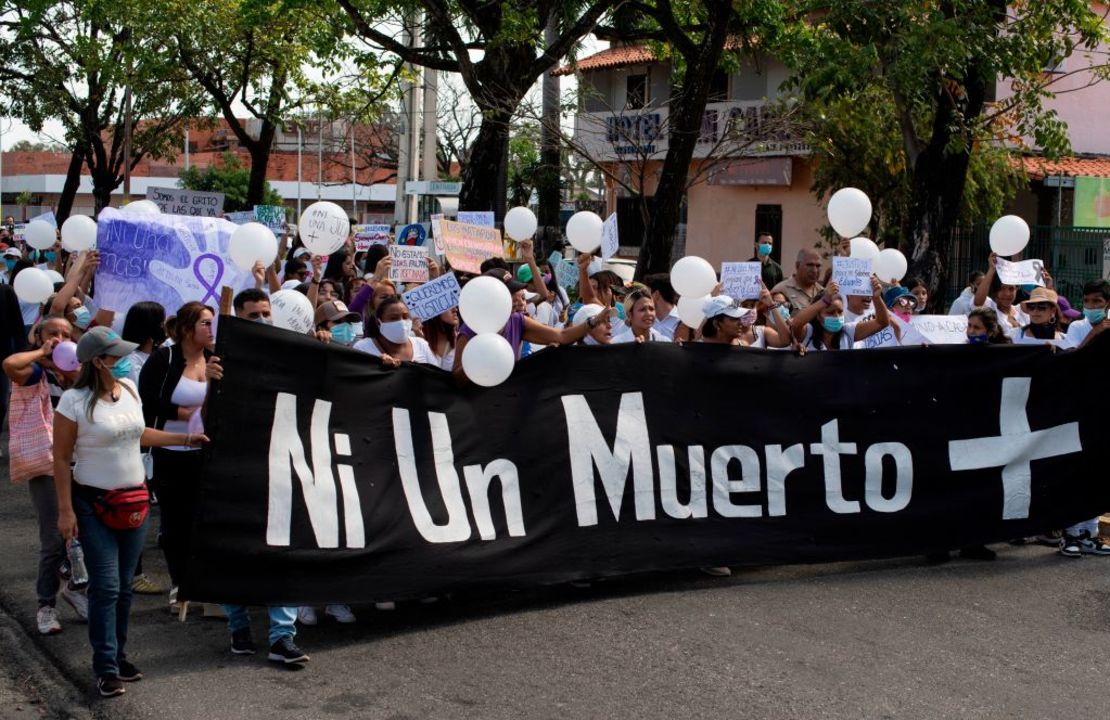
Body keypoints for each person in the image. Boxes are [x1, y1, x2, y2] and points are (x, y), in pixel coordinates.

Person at [53, 327, 208, 697]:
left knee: (123, 589)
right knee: (105, 587)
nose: (123, 360)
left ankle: (118, 656)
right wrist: (65, 510)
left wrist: (184, 438)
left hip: (135, 502)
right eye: (115, 355)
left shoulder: (130, 391)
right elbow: (60, 459)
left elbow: (140, 434)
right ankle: (105, 667)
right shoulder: (73, 401)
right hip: (93, 504)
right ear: (97, 362)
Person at [4, 316, 87, 635]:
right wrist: (43, 353)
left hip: (83, 463)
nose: (60, 338)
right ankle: (45, 605)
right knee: (55, 537)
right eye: (53, 333)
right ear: (39, 336)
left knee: (83, 535)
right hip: (48, 463)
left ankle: (76, 590)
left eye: (66, 334)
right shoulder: (36, 372)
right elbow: (11, 364)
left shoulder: (77, 375)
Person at [137, 302, 219, 613]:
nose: (211, 330)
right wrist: (180, 412)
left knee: (204, 518)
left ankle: (203, 582)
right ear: (187, 329)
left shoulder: (215, 359)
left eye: (212, 323)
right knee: (175, 521)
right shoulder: (165, 358)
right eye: (205, 324)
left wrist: (214, 382)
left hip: (205, 451)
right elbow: (147, 399)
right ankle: (179, 583)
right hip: (171, 451)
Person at [118, 301, 168, 596]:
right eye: (161, 321)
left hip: (156, 440)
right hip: (136, 441)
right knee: (135, 506)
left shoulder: (163, 355)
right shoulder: (130, 361)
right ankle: (133, 572)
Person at [791, 278, 890, 350]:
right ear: (818, 316)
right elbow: (796, 324)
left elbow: (882, 322)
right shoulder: (808, 332)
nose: (837, 316)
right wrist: (824, 300)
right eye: (830, 312)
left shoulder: (848, 332)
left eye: (840, 311)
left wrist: (876, 298)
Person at [354, 297, 438, 366]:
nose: (401, 322)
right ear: (379, 322)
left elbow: (437, 376)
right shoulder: (362, 348)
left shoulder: (422, 345)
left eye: (405, 317)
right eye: (393, 318)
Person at [972, 253, 1028, 331]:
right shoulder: (990, 310)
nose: (1007, 294)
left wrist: (1049, 288)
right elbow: (978, 302)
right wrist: (991, 269)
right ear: (995, 291)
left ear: (1017, 290)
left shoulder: (1022, 311)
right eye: (1002, 289)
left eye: (1011, 289)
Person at [771, 248, 824, 314]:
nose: (814, 270)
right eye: (810, 265)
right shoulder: (781, 290)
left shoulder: (822, 292)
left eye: (818, 266)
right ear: (797, 265)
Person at [1064, 279, 1110, 349]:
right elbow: (1071, 357)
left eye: (1096, 301)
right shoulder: (1076, 326)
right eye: (1086, 300)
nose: (1090, 306)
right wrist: (1093, 333)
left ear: (1108, 303)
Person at [644, 274, 679, 341]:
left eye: (646, 293)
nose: (642, 297)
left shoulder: (681, 321)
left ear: (656, 294)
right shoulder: (643, 318)